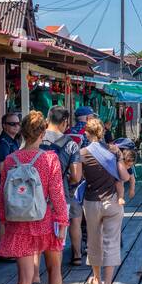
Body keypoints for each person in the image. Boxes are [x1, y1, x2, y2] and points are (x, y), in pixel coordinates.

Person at [0, 111, 70, 284]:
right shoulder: (49, 159)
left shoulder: (10, 160)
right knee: (54, 270)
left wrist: (4, 221)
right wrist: (62, 220)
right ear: (42, 133)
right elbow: (57, 195)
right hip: (47, 221)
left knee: (23, 281)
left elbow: (3, 196)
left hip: (19, 225)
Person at [80, 117, 129, 284]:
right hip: (113, 201)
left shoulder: (83, 153)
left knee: (94, 239)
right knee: (111, 241)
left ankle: (96, 278)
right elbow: (124, 177)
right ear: (103, 132)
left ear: (87, 133)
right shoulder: (114, 150)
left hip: (92, 201)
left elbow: (77, 178)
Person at [43, 106, 84, 265]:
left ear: (48, 119)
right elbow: (76, 176)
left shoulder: (34, 139)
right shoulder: (71, 145)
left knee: (35, 242)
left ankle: (34, 278)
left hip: (35, 196)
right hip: (60, 196)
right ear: (65, 122)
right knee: (57, 242)